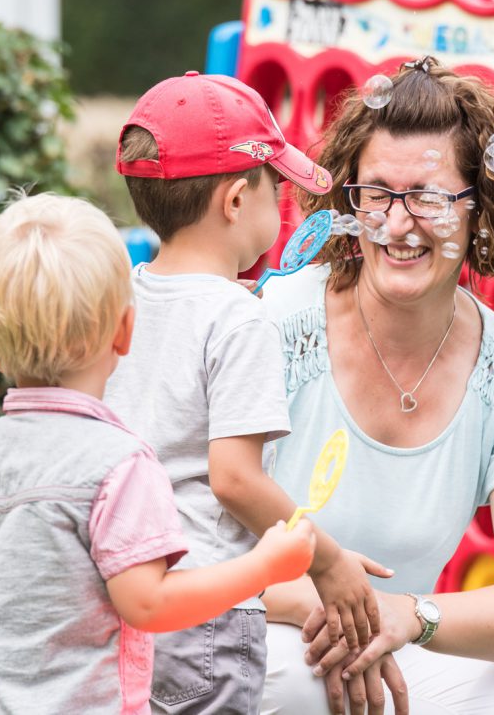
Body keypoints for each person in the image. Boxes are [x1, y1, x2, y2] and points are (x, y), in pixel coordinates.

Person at [258, 57, 494, 714]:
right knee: (296, 682)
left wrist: (414, 615)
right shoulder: (275, 327)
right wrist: (341, 607)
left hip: (391, 641)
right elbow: (189, 550)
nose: (396, 222)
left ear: (482, 209)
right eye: (377, 193)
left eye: (430, 197)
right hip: (255, 631)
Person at [0, 192, 317, 714]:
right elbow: (149, 603)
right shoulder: (121, 464)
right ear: (125, 332)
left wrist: (6, 657)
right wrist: (264, 565)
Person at [107, 72, 391, 714]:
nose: (284, 204)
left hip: (125, 593)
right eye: (278, 188)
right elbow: (233, 480)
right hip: (207, 612)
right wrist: (327, 558)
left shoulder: (121, 296)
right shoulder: (240, 319)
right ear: (237, 201)